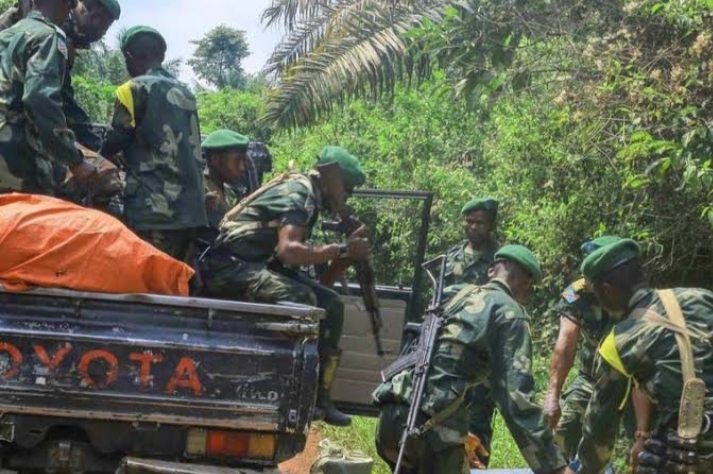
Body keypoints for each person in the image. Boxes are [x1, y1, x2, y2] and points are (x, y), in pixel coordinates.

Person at [201, 146, 371, 427]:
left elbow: (294, 266)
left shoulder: (308, 197)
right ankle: (285, 383)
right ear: (333, 181)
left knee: (328, 302)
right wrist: (342, 248)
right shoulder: (300, 193)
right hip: (225, 267)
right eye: (348, 188)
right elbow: (289, 251)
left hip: (252, 264)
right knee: (300, 296)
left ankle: (320, 397)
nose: (347, 196)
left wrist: (342, 258)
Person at [373, 245, 567, 474]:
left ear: (492, 271)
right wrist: (555, 467)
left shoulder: (453, 295)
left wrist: (458, 432)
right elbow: (517, 400)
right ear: (527, 285)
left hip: (391, 416)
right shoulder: (510, 314)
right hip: (431, 430)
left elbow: (437, 366)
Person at [569, 239, 713, 473]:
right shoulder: (702, 297)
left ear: (605, 291)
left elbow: (599, 432)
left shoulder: (618, 342)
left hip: (684, 457)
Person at [99, 26, 207, 263]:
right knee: (179, 279)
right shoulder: (186, 92)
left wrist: (94, 159)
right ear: (162, 56)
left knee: (150, 281)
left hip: (154, 211)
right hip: (191, 211)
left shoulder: (133, 88)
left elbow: (116, 139)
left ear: (128, 57)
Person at [0, 0, 98, 195]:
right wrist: (74, 160)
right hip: (15, 155)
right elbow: (41, 100)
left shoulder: (5, 35)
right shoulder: (49, 36)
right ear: (67, 6)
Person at [0, 0, 121, 153]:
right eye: (104, 27)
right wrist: (92, 147)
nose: (102, 34)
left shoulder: (65, 30)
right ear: (93, 14)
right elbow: (49, 98)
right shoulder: (51, 27)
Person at [442, 197, 500, 468]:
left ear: (490, 226)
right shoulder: (451, 257)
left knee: (479, 419)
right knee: (445, 415)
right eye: (469, 221)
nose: (473, 227)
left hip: (483, 354)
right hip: (451, 351)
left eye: (480, 223)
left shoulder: (500, 261)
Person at [201, 129, 249, 233]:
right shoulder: (198, 189)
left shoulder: (229, 192)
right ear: (215, 160)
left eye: (243, 161)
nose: (242, 168)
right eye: (237, 161)